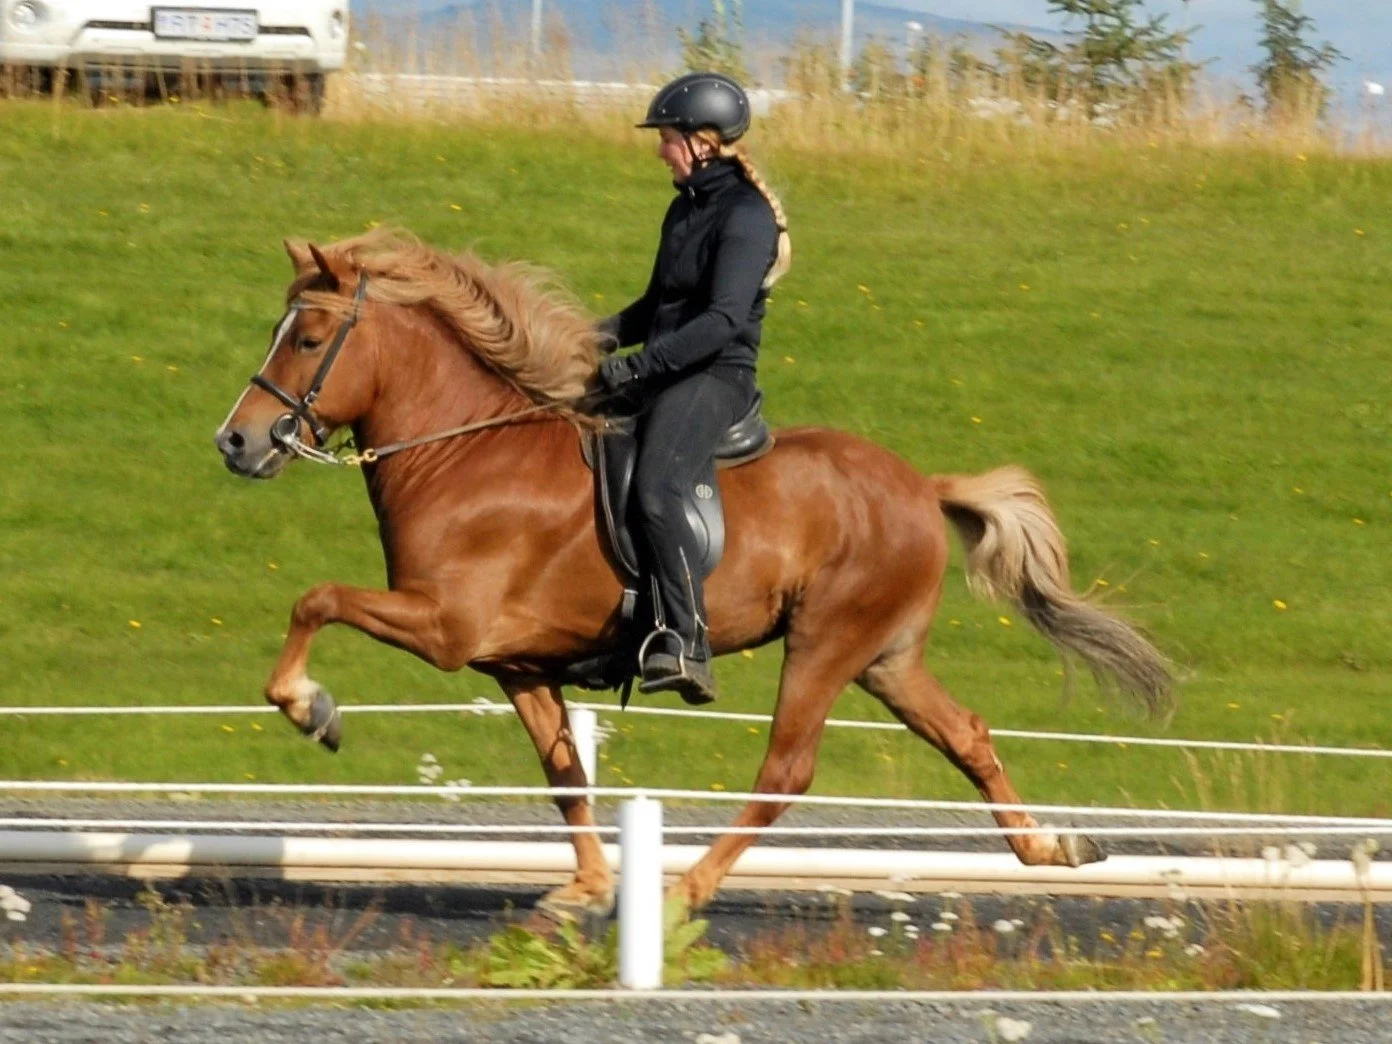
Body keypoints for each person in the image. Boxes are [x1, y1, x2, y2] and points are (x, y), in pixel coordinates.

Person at [595, 71, 792, 706]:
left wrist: (636, 367)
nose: (660, 150)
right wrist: (593, 337)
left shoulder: (747, 216)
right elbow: (658, 303)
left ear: (703, 142)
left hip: (714, 377)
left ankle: (686, 639)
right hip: (666, 365)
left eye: (668, 139)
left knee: (657, 487)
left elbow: (721, 321)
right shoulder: (684, 207)